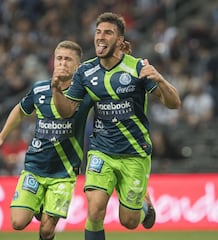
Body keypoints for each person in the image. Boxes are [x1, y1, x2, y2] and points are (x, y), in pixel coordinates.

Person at [51, 12, 181, 240]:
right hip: (102, 150)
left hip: (135, 153)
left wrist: (160, 79)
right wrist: (56, 89)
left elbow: (174, 103)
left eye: (108, 33)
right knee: (94, 210)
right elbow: (66, 112)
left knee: (129, 222)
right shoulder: (85, 72)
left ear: (120, 40)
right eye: (98, 32)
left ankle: (142, 203)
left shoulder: (137, 67)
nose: (100, 37)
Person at [0, 40, 92, 240]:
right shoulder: (39, 89)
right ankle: (40, 205)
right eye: (59, 58)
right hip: (35, 167)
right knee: (17, 222)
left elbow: (66, 113)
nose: (62, 63)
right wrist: (1, 138)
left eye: (68, 59)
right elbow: (20, 110)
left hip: (64, 172)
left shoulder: (84, 94)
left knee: (46, 230)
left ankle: (44, 213)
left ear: (78, 66)